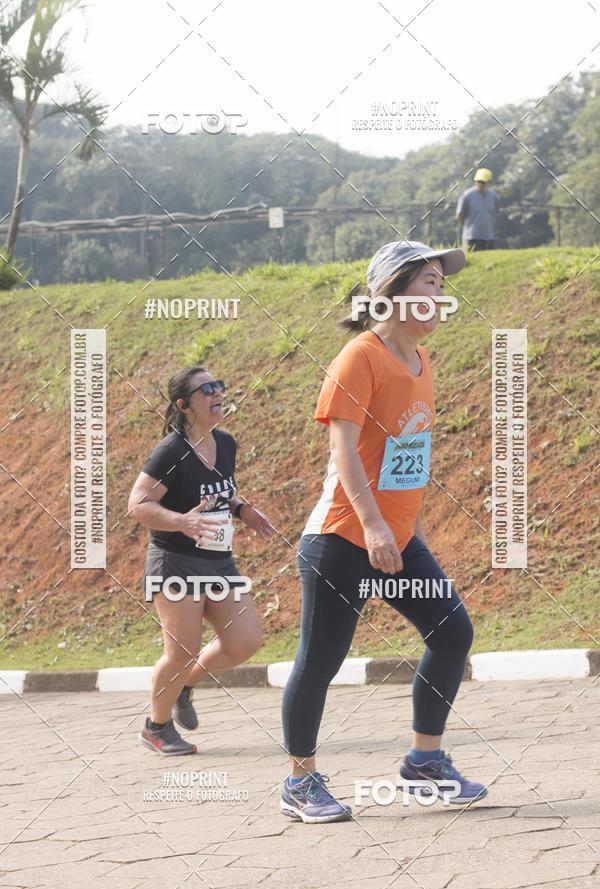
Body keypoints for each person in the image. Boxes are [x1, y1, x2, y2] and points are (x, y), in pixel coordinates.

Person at [280, 240, 487, 822]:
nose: (439, 295)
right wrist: (374, 526)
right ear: (391, 294)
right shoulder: (359, 357)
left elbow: (406, 456)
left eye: (442, 285)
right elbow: (343, 450)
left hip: (395, 540)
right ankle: (299, 783)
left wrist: (407, 529)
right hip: (342, 539)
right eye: (428, 283)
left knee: (451, 632)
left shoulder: (422, 362)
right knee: (320, 661)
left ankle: (424, 764)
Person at [128, 365, 276, 755]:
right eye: (206, 390)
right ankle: (156, 728)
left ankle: (184, 685)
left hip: (218, 561)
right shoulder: (171, 451)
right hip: (175, 562)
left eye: (218, 386)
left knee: (244, 641)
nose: (217, 393)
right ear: (184, 405)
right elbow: (138, 504)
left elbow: (222, 491)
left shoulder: (224, 443)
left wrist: (242, 510)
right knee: (181, 650)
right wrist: (181, 521)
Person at [456, 168, 499, 251]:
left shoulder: (494, 196)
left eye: (483, 182)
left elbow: (495, 212)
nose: (480, 184)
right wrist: (469, 227)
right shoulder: (467, 196)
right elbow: (460, 215)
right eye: (478, 181)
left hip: (488, 237)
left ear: (489, 182)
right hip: (471, 237)